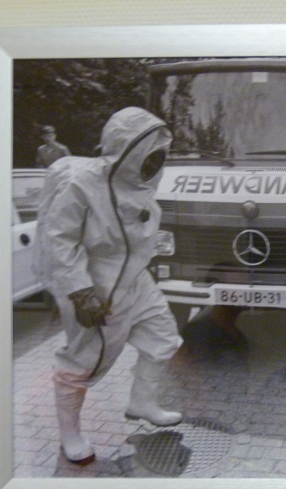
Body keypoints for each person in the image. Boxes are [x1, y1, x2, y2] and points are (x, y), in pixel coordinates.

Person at [34, 107, 183, 464]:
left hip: (135, 278)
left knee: (163, 337)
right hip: (95, 284)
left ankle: (142, 403)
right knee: (83, 362)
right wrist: (80, 292)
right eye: (148, 155)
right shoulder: (82, 184)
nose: (155, 164)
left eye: (159, 155)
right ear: (126, 151)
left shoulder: (141, 182)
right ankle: (70, 435)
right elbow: (60, 238)